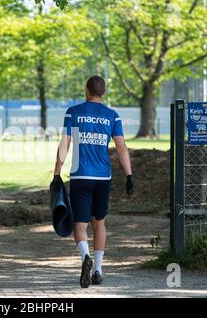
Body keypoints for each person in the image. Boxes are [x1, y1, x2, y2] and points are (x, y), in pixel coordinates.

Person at [52, 75, 134, 288]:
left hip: (81, 176)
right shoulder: (112, 116)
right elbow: (122, 148)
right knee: (99, 223)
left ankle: (85, 257)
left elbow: (64, 145)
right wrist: (129, 175)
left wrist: (56, 173)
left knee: (79, 224)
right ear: (103, 92)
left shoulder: (73, 112)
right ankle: (97, 269)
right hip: (102, 177)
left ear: (86, 90)